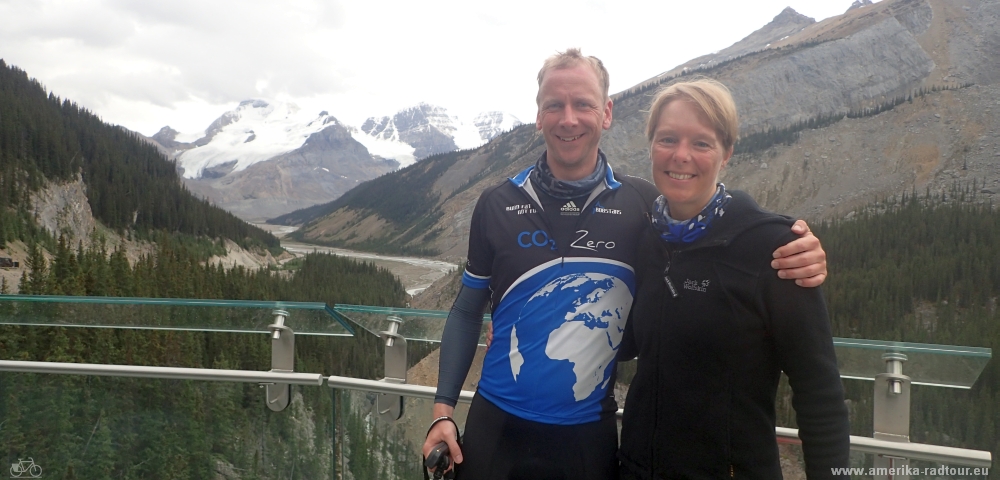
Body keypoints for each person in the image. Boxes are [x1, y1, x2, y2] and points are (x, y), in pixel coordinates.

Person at [423, 49, 828, 480]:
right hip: (494, 429)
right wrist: (442, 410)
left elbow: (714, 224)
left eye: (583, 104)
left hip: (587, 438)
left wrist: (796, 243)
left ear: (607, 112)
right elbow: (468, 310)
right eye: (554, 105)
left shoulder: (642, 206)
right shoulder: (497, 203)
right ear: (538, 115)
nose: (569, 119)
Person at [617, 79, 850, 479]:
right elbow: (625, 344)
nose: (681, 155)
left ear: (727, 153)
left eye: (702, 143)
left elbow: (820, 394)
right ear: (651, 145)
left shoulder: (775, 249)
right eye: (667, 138)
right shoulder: (645, 239)